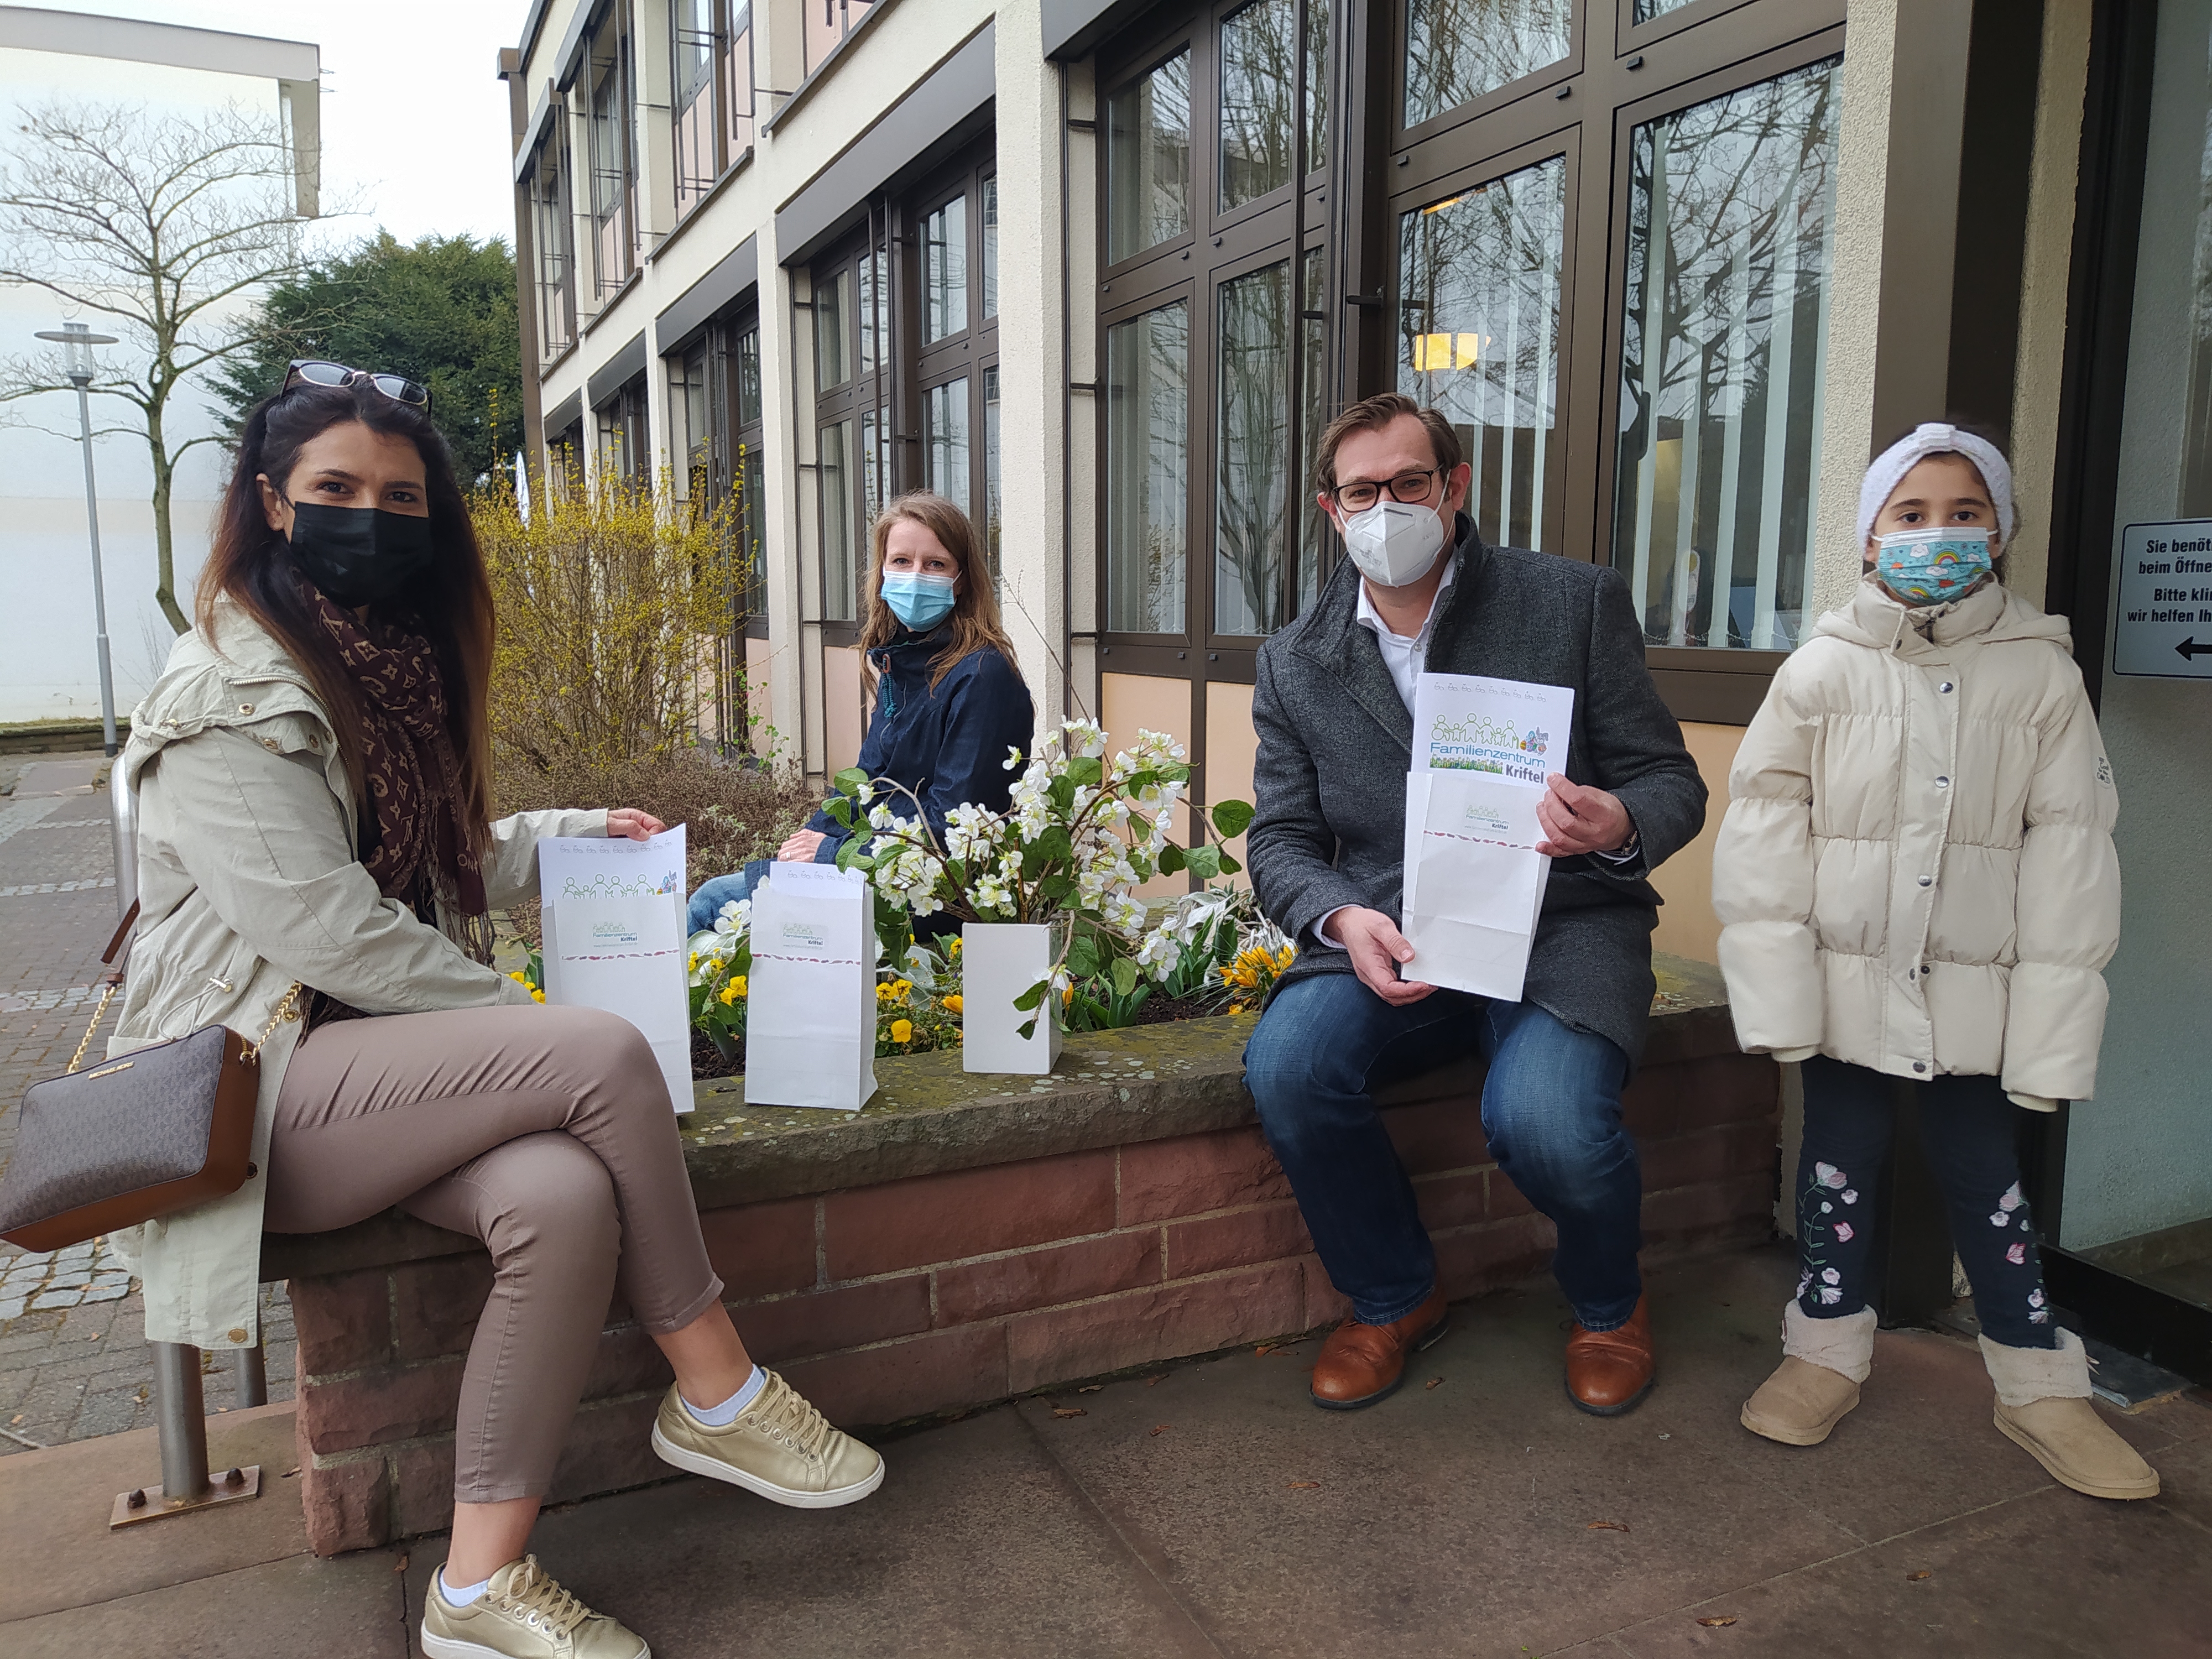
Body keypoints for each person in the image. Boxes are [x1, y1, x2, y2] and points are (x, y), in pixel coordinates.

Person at [113, 366, 883, 1659]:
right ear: (272, 505)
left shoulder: (381, 668)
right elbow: (324, 925)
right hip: (257, 1082)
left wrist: (577, 832)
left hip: (365, 1067)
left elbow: (425, 849)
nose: (371, 514)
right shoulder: (223, 695)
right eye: (336, 490)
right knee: (594, 1048)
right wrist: (522, 1026)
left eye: (399, 495)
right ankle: (715, 1383)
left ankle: (476, 1585)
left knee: (559, 1198)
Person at [1714, 422, 2158, 1500]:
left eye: (1964, 513)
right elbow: (1765, 828)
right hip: (1844, 982)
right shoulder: (1821, 668)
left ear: (1998, 534)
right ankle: (1821, 1347)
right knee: (1838, 1163)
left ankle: (2033, 1381)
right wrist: (1776, 995)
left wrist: (2051, 1039)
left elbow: (2069, 856)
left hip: (1976, 992)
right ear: (1868, 538)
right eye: (1909, 515)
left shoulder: (2038, 678)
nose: (1936, 534)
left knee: (1983, 1178)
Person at [1242, 392, 1708, 1416]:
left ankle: (1606, 1304)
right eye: (1363, 491)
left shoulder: (1569, 603)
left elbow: (1673, 784)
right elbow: (1277, 838)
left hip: (1562, 922)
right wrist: (1337, 916)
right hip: (1395, 934)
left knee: (1544, 1119)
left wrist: (1616, 819)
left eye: (1410, 483)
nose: (1387, 507)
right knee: (1288, 1064)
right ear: (1332, 510)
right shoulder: (1295, 659)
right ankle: (1395, 1296)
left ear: (1454, 488)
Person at [686, 491, 1032, 935]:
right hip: (878, 866)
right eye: (902, 562)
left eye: (935, 564)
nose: (915, 576)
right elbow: (869, 779)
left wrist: (830, 854)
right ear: (883, 572)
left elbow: (954, 829)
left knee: (711, 904)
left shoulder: (983, 676)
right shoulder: (904, 662)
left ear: (961, 579)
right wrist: (806, 842)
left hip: (929, 894)